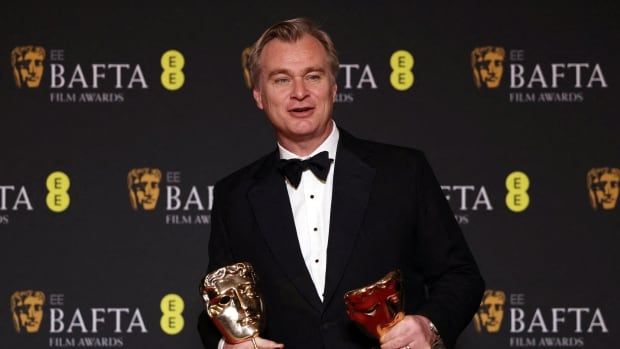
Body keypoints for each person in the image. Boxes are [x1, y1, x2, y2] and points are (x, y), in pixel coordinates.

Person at [202, 18, 484, 349]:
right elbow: (215, 306)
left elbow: (461, 277)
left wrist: (429, 325)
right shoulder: (233, 196)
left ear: (334, 87)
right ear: (258, 95)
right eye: (281, 79)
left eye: (313, 76)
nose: (299, 93)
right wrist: (230, 346)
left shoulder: (403, 172)